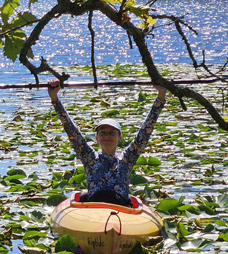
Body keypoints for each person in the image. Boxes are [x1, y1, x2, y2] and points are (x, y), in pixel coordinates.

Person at [47, 79, 167, 207]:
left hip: (121, 209)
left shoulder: (127, 159)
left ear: (119, 137)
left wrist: (161, 96)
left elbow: (145, 132)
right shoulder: (90, 158)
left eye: (111, 133)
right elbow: (71, 130)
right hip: (94, 208)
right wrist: (55, 99)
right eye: (103, 133)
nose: (107, 136)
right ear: (96, 138)